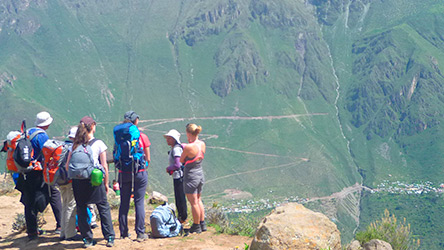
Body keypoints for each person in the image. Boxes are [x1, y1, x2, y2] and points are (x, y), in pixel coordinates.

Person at [66, 116, 115, 247]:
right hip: (95, 180)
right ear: (92, 126)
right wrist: (105, 184)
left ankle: (87, 239)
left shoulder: (74, 145)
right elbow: (104, 166)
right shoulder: (99, 144)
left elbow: (67, 166)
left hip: (78, 182)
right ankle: (109, 237)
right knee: (103, 207)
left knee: (81, 209)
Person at [15, 111, 61, 240]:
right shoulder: (41, 136)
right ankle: (61, 225)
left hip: (26, 172)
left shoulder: (27, 133)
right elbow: (48, 152)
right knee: (54, 194)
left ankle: (32, 231)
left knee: (29, 200)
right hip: (39, 172)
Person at [116, 111, 149, 241]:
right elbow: (148, 157)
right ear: (135, 121)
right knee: (139, 202)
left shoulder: (119, 136)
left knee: (124, 202)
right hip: (139, 171)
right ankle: (140, 233)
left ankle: (124, 233)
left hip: (123, 172)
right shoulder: (141, 136)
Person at [180, 123, 206, 233]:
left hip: (191, 176)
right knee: (199, 200)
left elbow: (181, 160)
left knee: (193, 202)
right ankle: (202, 223)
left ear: (188, 133)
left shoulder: (189, 147)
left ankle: (196, 226)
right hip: (200, 173)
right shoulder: (202, 144)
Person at [59, 126, 82, 241]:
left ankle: (63, 232)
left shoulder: (62, 146)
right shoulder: (72, 148)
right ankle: (70, 233)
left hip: (59, 180)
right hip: (69, 180)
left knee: (64, 204)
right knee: (71, 206)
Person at [164, 129, 187, 223]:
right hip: (177, 176)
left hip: (179, 176)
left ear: (174, 139)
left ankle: (182, 217)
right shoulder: (174, 149)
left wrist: (169, 168)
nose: (167, 140)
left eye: (169, 138)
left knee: (180, 197)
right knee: (179, 196)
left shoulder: (176, 149)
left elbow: (178, 165)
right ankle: (181, 217)